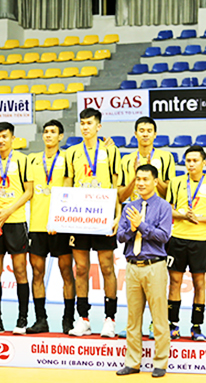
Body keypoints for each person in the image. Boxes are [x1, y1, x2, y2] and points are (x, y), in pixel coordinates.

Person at [65, 108, 121, 338]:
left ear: (99, 126)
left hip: (103, 215)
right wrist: (65, 216)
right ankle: (84, 319)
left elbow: (117, 186)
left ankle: (110, 319)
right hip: (80, 217)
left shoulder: (111, 150)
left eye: (90, 123)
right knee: (81, 269)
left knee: (107, 267)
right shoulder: (72, 152)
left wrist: (118, 215)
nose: (85, 127)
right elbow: (68, 185)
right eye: (82, 123)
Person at [116, 165, 171, 379]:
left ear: (155, 182)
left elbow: (163, 236)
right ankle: (132, 362)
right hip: (132, 266)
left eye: (145, 179)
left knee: (159, 317)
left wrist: (141, 226)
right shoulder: (129, 206)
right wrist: (131, 228)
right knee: (132, 318)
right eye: (138, 179)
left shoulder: (164, 207)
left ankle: (160, 362)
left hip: (154, 266)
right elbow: (120, 236)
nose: (140, 183)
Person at [0, 122, 33, 334]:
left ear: (13, 138)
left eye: (5, 136)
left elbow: (28, 192)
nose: (1, 140)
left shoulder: (23, 160)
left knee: (20, 271)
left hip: (15, 222)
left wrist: (8, 211)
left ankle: (22, 319)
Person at [166, 145, 206, 341]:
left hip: (199, 241)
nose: (191, 164)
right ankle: (172, 324)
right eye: (188, 160)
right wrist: (183, 216)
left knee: (199, 284)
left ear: (204, 163)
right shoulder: (176, 183)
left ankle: (196, 326)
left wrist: (198, 218)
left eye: (195, 160)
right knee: (174, 283)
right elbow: (169, 211)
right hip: (177, 239)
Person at [26, 119, 75, 334]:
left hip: (61, 225)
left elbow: (68, 192)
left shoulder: (67, 158)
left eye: (53, 132)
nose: (48, 135)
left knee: (67, 273)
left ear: (60, 136)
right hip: (37, 225)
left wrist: (58, 219)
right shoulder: (32, 159)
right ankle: (40, 319)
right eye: (46, 131)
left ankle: (68, 320)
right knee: (37, 273)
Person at [118, 116, 175, 203]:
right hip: (135, 210)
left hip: (158, 209)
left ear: (155, 134)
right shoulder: (127, 159)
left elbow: (171, 193)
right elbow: (121, 197)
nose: (145, 134)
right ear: (136, 134)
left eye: (149, 131)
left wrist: (152, 173)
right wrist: (136, 177)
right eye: (141, 131)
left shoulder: (166, 157)